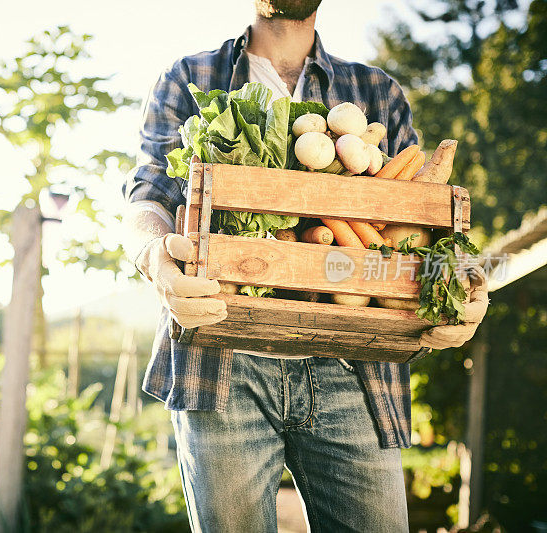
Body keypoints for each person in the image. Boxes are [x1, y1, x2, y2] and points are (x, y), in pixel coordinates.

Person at [121, 1, 490, 531]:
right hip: (222, 359)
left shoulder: (376, 93)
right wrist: (155, 256)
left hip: (355, 365)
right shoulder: (189, 79)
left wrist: (461, 285)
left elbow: (424, 230)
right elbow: (147, 196)